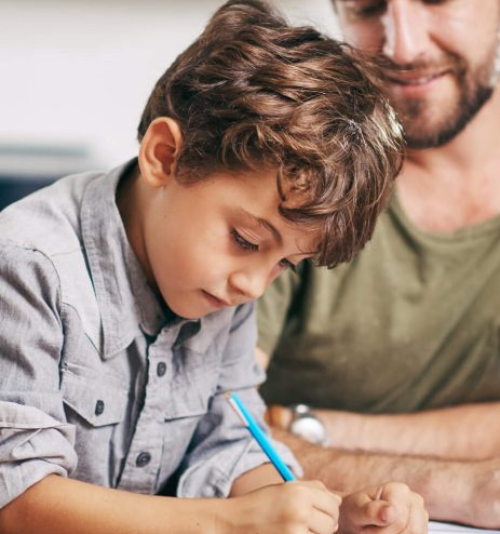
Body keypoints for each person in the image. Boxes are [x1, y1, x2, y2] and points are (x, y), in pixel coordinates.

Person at [0, 1, 429, 534]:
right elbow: (16, 502)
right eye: (245, 240)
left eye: (286, 266)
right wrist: (229, 522)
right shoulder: (28, 269)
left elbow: (229, 446)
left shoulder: (220, 286)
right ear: (164, 156)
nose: (253, 285)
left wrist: (325, 516)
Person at [257, 0, 500, 529]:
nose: (403, 47)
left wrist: (317, 428)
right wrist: (457, 486)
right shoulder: (294, 169)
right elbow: (204, 421)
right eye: (367, 7)